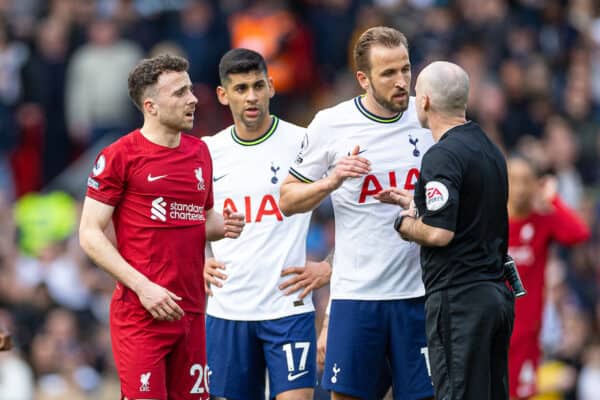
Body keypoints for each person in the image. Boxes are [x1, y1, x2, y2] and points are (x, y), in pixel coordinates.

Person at [279, 26, 434, 400]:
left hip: (420, 294)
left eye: (405, 69)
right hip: (357, 298)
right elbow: (287, 198)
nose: (402, 82)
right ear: (363, 79)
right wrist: (330, 183)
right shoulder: (331, 124)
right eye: (388, 74)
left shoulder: (429, 115)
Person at [78, 54, 245, 400]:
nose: (194, 98)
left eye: (191, 89)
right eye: (180, 92)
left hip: (192, 313)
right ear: (151, 106)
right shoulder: (120, 156)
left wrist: (225, 223)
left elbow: (198, 219)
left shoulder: (200, 152)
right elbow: (90, 234)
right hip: (141, 314)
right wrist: (143, 287)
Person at [202, 48, 331, 400]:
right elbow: (180, 216)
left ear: (272, 87)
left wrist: (330, 266)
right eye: (241, 88)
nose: (252, 96)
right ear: (222, 95)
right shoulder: (208, 152)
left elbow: (354, 211)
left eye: (258, 85)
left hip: (287, 307)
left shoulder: (303, 141)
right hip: (229, 310)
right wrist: (197, 260)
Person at [396, 61, 514, 400]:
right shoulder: (491, 150)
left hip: (460, 299)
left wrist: (404, 224)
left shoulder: (441, 156)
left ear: (426, 101)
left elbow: (439, 233)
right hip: (495, 296)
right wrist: (416, 201)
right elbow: (465, 211)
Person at [506, 155, 589, 399]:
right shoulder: (490, 220)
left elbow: (579, 233)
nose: (520, 188)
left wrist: (553, 199)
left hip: (528, 334)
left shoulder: (542, 219)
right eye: (513, 180)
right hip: (492, 330)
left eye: (526, 181)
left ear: (535, 184)